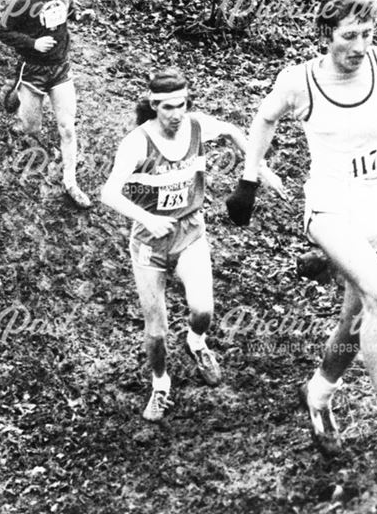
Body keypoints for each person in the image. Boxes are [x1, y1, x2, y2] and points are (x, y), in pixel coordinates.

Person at [228, 0, 377, 458]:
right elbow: (265, 118)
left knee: (358, 319)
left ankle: (319, 391)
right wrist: (249, 180)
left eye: (367, 34)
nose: (359, 46)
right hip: (331, 207)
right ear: (325, 34)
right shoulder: (301, 81)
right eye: (348, 36)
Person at [101, 67, 286, 422]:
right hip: (149, 243)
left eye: (181, 105)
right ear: (153, 105)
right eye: (167, 107)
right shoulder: (137, 142)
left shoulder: (197, 125)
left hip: (190, 233)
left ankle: (196, 343)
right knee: (156, 332)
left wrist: (260, 169)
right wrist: (147, 218)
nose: (176, 114)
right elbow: (108, 192)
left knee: (203, 310)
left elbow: (233, 131)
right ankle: (160, 383)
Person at [0, 0, 95, 208]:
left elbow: (67, 10)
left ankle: (71, 184)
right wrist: (32, 44)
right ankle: (14, 95)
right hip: (33, 71)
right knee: (31, 128)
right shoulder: (23, 0)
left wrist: (81, 16)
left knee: (67, 128)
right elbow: (3, 31)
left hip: (60, 68)